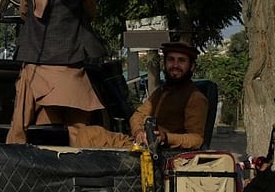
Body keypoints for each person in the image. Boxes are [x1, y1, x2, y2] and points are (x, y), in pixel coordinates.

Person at [6, 0, 105, 145]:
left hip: (35, 63)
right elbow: (91, 14)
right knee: (79, 131)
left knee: (19, 127)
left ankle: (10, 163)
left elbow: (24, 12)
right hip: (70, 67)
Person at [70, 41, 208, 150]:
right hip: (140, 144)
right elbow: (137, 115)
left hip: (163, 153)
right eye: (171, 60)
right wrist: (139, 133)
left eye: (181, 61)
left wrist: (165, 138)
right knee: (88, 133)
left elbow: (196, 139)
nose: (175, 65)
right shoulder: (161, 92)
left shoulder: (195, 98)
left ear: (192, 67)